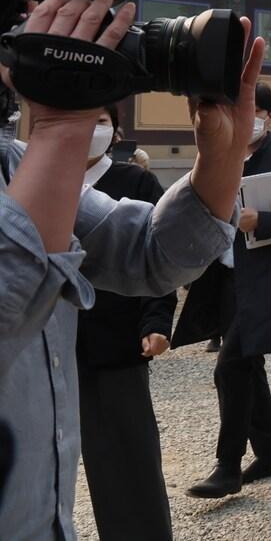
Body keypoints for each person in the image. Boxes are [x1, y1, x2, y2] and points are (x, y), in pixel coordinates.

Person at [0, 0, 263, 538]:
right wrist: (63, 124)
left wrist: (220, 157)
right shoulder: (39, 151)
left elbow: (153, 254)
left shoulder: (12, 163)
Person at [176, 81, 271, 498]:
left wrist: (263, 221)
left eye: (256, 112)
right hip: (224, 278)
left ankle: (227, 465)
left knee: (230, 365)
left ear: (269, 117)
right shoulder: (217, 158)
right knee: (248, 365)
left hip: (266, 282)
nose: (249, 120)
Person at [75, 105, 175, 541]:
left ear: (115, 132)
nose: (91, 129)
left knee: (125, 465)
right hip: (41, 344)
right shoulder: (33, 178)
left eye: (101, 120)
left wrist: (155, 321)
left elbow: (159, 259)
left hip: (115, 347)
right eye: (81, 117)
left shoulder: (135, 183)